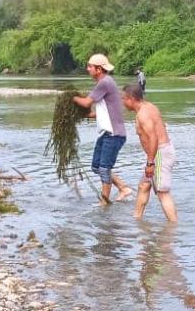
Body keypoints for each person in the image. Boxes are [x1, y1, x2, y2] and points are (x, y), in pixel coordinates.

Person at [72, 54, 132, 205]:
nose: (88, 69)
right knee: (96, 167)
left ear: (98, 69)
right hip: (107, 133)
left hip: (114, 134)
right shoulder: (106, 83)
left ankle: (104, 202)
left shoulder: (104, 83)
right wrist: (83, 116)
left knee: (104, 168)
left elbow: (86, 103)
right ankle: (123, 188)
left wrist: (71, 97)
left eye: (90, 67)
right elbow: (101, 112)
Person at [122, 84, 178, 222]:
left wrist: (150, 162)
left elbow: (154, 137)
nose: (122, 102)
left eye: (124, 99)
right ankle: (137, 218)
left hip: (159, 155)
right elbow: (161, 126)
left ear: (131, 99)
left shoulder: (143, 114)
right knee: (144, 185)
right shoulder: (149, 107)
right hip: (159, 153)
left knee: (162, 193)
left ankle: (173, 229)